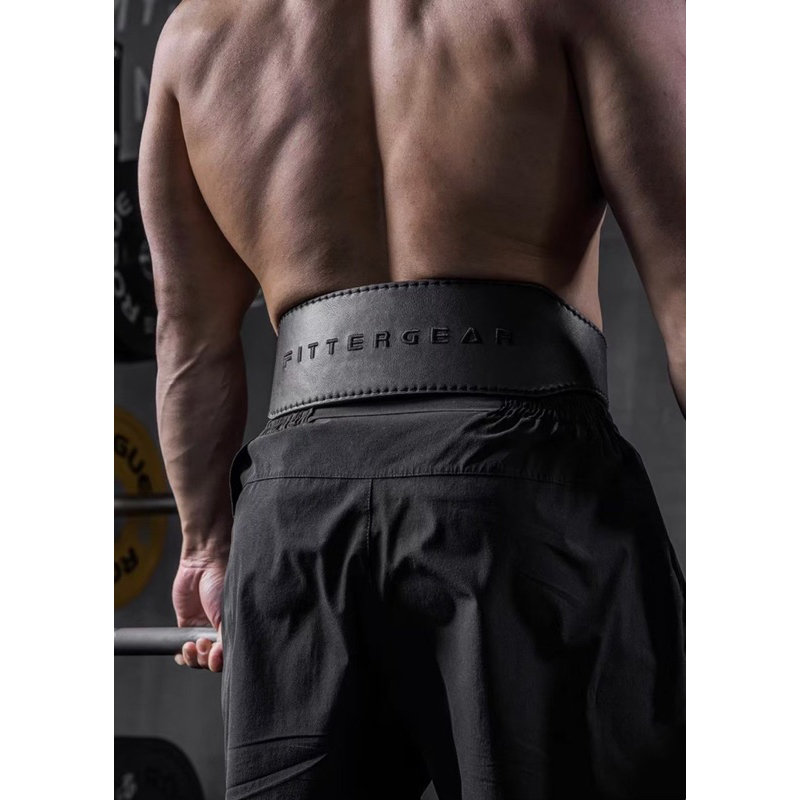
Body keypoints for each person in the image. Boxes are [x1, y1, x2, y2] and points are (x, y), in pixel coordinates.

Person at [139, 0, 685, 797]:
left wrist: (207, 552)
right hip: (518, 483)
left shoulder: (199, 35)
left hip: (293, 514)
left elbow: (189, 340)